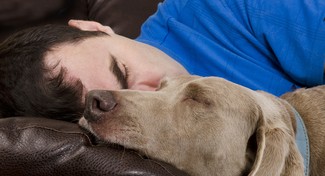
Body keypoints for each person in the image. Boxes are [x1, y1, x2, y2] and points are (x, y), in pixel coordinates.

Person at [0, 0, 324, 122]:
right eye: (123, 103)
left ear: (93, 28)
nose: (153, 95)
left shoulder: (223, 7)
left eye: (124, 70)